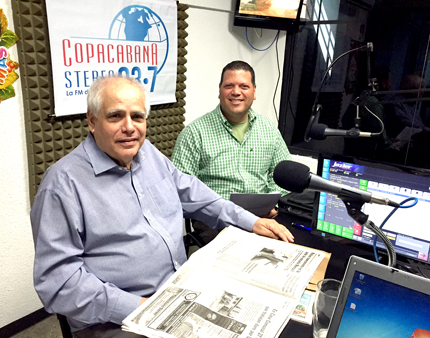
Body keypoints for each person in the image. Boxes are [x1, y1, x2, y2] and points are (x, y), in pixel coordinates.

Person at [30, 75, 294, 337]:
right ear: (92, 120)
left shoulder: (148, 154)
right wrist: (143, 307)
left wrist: (251, 221)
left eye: (137, 117)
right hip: (116, 317)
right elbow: (59, 283)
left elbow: (197, 195)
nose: (129, 127)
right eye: (115, 116)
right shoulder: (63, 184)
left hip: (178, 289)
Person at [171, 60, 291, 244]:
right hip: (216, 221)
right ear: (220, 90)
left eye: (244, 86)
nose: (236, 92)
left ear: (254, 91)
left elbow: (284, 176)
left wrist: (273, 206)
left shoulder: (269, 130)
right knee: (239, 255)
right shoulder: (195, 133)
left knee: (290, 247)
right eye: (229, 86)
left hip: (263, 216)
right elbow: (179, 190)